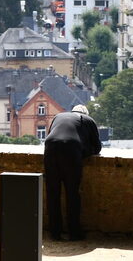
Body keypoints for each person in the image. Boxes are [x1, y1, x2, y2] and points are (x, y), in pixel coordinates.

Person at [43, 103, 102, 241]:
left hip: (50, 146)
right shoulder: (88, 120)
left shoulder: (58, 116)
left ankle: (55, 232)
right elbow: (97, 147)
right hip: (71, 149)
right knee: (72, 193)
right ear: (85, 113)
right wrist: (85, 151)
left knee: (52, 192)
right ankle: (74, 232)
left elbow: (52, 133)